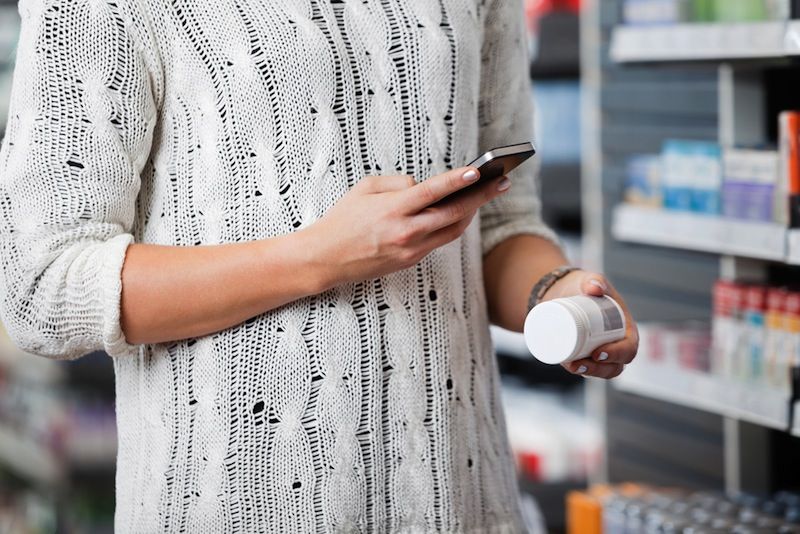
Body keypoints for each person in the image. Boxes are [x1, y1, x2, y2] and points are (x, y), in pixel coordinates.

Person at [0, 0, 638, 532]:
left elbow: (500, 221)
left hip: (459, 497)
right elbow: (44, 289)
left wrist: (557, 293)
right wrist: (318, 258)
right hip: (238, 505)